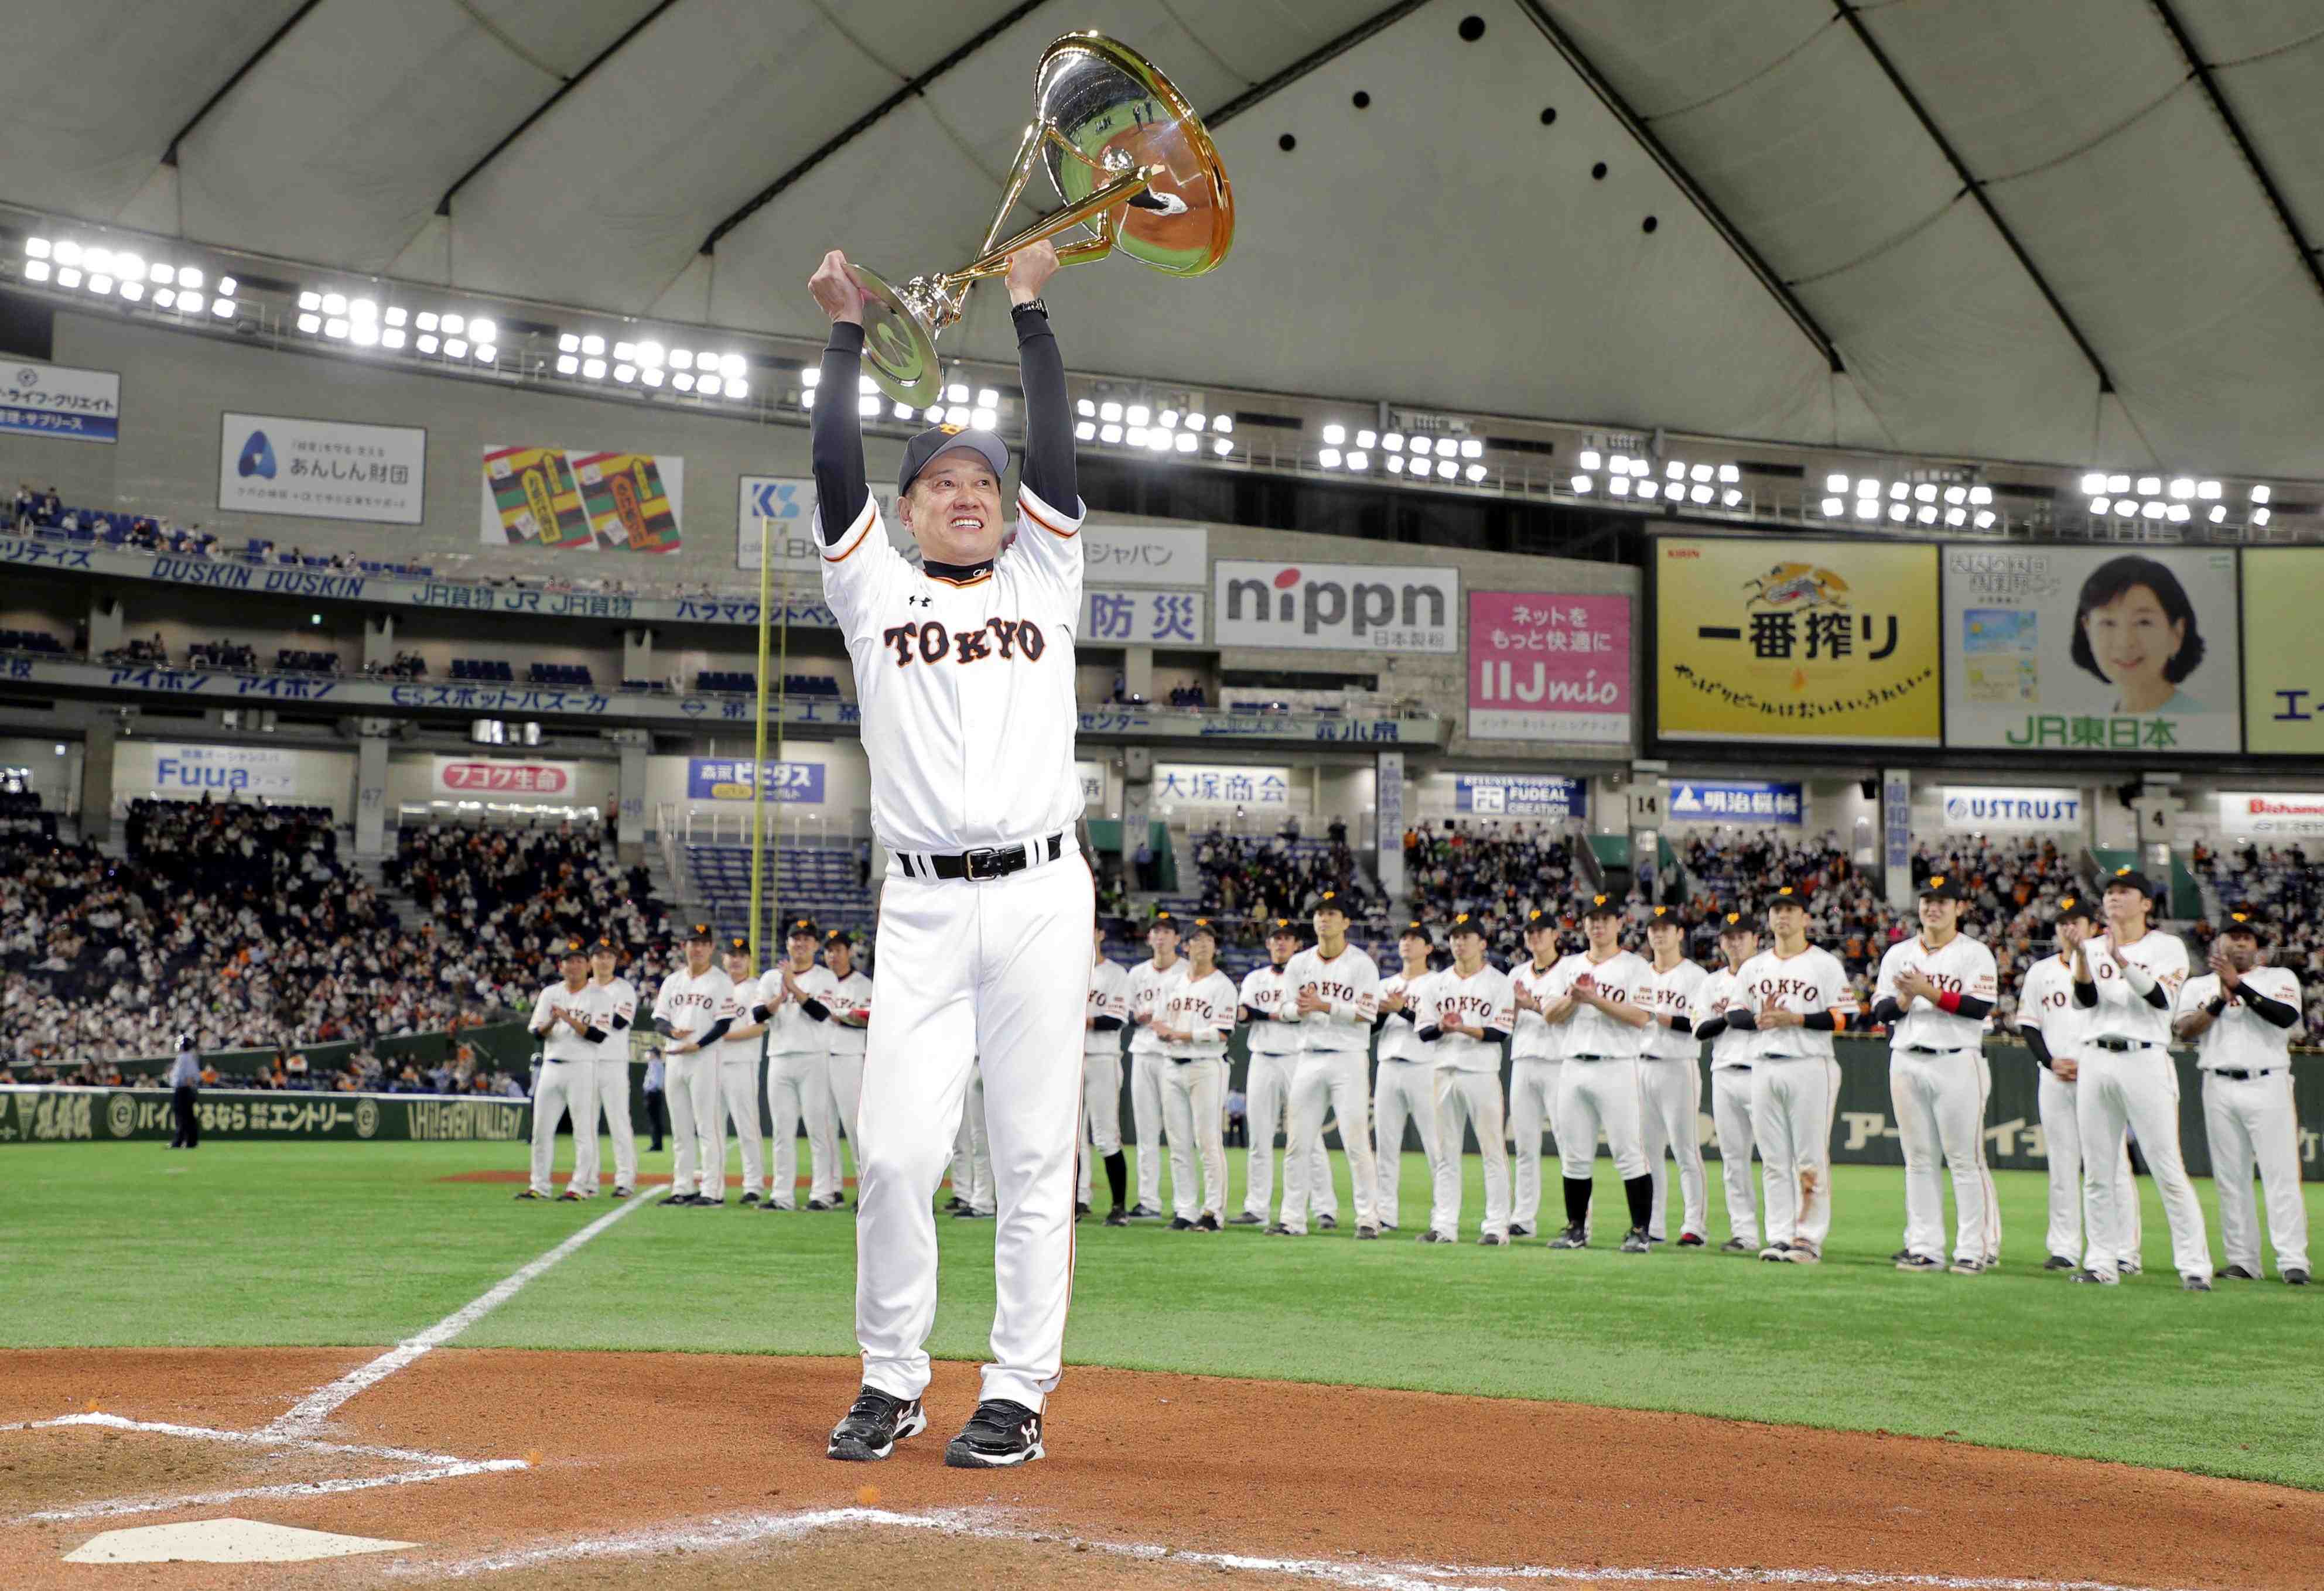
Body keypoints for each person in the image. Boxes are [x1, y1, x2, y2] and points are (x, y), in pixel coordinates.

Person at [809, 237, 1089, 1470]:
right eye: (942, 481)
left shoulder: (1046, 571)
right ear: (908, 506)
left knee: (1031, 1153)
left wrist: (1029, 312)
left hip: (1039, 893)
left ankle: (1018, 1387)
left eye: (984, 478)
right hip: (920, 907)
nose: (969, 491)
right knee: (895, 1151)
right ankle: (891, 1374)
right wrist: (841, 336)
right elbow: (829, 471)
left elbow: (1059, 454)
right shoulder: (873, 591)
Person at [2071, 868, 2212, 1289]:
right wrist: (2082, 958)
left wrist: (2121, 962)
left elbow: (2161, 998)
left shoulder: (2167, 946)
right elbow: (2084, 1001)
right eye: (2110, 892)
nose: (2114, 897)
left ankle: (2195, 1266)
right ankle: (2101, 1262)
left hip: (2144, 1056)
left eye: (2124, 891)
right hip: (2095, 1056)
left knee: (2167, 1166)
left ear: (2147, 903)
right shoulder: (2092, 946)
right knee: (2097, 1170)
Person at [1872, 875, 2001, 1275]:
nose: (1934, 907)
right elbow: (1881, 1012)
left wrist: (1927, 992)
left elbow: (1980, 1008)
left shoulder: (1975, 953)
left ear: (1959, 908)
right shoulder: (1898, 953)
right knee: (1918, 1160)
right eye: (1928, 899)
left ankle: (1972, 1247)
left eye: (1944, 901)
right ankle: (1925, 1245)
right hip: (1907, 1056)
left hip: (1958, 1058)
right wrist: (1906, 998)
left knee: (1965, 1159)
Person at [2173, 909, 2308, 1285]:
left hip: (2268, 1081)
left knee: (2281, 1175)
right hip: (2218, 1082)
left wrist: (2241, 988)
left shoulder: (2279, 977)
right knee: (2231, 1179)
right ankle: (2243, 1259)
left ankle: (2293, 1259)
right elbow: (2184, 1029)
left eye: (2247, 937)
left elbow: (2285, 1017)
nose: (2240, 942)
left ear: (2257, 946)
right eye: (2233, 936)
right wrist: (2219, 998)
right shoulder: (2199, 986)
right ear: (2218, 943)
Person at [1724, 884, 1853, 1265]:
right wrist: (1759, 1018)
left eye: (1791, 909)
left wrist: (1795, 1018)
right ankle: (1779, 1234)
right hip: (1763, 1064)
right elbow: (1734, 1013)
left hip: (1810, 1063)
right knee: (1774, 1159)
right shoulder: (1754, 966)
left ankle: (1808, 1237)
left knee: (1809, 1156)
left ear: (1806, 918)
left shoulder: (1824, 964)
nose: (1783, 916)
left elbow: (1845, 1016)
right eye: (1777, 910)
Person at [2017, 896, 2140, 1274]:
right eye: (2062, 923)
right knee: (2063, 1162)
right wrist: (2050, 1061)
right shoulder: (2040, 971)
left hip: (2100, 1074)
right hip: (2055, 1078)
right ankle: (2065, 1247)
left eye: (2076, 922)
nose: (2068, 929)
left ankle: (2125, 1252)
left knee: (2114, 1164)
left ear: (2092, 927)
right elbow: (2029, 1025)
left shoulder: (2110, 964)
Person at [1542, 895, 1655, 1253]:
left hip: (1617, 1065)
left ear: (1619, 925)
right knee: (1574, 1154)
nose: (1597, 925)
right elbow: (1549, 1014)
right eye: (1592, 919)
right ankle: (1576, 1229)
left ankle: (1641, 1231)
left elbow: (1640, 1017)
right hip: (1573, 1065)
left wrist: (1594, 1000)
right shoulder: (1568, 966)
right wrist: (1575, 1000)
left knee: (1629, 1151)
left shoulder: (1635, 966)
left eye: (1605, 919)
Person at [1278, 891, 1383, 1239]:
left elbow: (1368, 1013)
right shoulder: (1299, 963)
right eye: (1319, 913)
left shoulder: (1361, 964)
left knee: (1355, 1142)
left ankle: (1368, 1218)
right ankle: (1292, 1219)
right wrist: (1301, 1009)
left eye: (1332, 913)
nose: (1324, 919)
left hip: (1348, 1059)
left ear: (1347, 922)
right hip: (1308, 1056)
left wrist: (1326, 1007)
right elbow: (1284, 1010)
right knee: (1298, 1143)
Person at [1418, 913, 1514, 1246]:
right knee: (1445, 1153)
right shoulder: (1436, 983)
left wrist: (1462, 1028)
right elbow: (1424, 1032)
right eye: (1455, 937)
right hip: (1443, 1070)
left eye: (1467, 937)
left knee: (1492, 1151)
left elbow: (1499, 1032)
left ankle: (1497, 1226)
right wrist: (1443, 1028)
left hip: (1482, 1073)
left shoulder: (1498, 982)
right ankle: (1444, 1225)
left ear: (1482, 943)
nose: (1460, 942)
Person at [1235, 918, 1332, 1230]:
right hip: (1262, 1057)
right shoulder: (1254, 978)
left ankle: (1325, 1208)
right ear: (1268, 944)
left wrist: (1270, 1015)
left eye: (1287, 939)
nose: (1281, 943)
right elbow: (1245, 1014)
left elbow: (1303, 1016)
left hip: (1297, 1058)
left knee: (1310, 1137)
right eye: (1276, 939)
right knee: (1259, 1137)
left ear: (1297, 945)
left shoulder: (1307, 977)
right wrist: (1278, 1014)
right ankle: (1256, 1207)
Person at [1153, 919, 1235, 1231]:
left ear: (1215, 947)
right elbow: (1160, 1022)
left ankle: (1213, 1212)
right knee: (1178, 1143)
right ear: (1185, 946)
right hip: (1172, 1064)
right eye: (1197, 939)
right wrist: (1165, 1032)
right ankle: (1184, 1209)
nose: (1203, 944)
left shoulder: (1222, 985)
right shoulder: (1172, 984)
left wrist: (1180, 1034)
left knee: (1208, 1140)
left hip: (1206, 1066)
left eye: (1208, 940)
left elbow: (1223, 1032)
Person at [754, 919, 839, 1212]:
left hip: (813, 1056)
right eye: (795, 939)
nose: (800, 944)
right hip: (779, 1056)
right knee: (782, 1130)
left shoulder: (825, 977)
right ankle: (782, 1196)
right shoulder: (769, 977)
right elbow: (757, 1014)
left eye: (807, 939)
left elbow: (821, 1013)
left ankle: (823, 1194)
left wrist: (793, 987)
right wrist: (781, 993)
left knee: (818, 1128)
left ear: (815, 946)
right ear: (787, 944)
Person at [1637, 905, 1709, 1248]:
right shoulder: (1639, 973)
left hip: (1679, 1064)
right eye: (1654, 928)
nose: (1659, 934)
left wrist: (1664, 1019)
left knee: (1685, 1148)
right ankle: (1653, 1224)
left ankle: (1694, 1225)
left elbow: (1700, 1025)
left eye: (1666, 928)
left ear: (1680, 934)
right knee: (1648, 1152)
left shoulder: (1695, 976)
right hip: (1641, 1064)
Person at [1690, 912, 1762, 1254]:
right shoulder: (1711, 982)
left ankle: (1790, 1230)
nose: (1735, 942)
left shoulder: (1769, 974)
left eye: (1741, 935)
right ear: (1721, 943)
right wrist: (1734, 1017)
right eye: (1729, 937)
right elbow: (1701, 1030)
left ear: (1756, 940)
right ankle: (1744, 1233)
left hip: (1763, 1070)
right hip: (1724, 1072)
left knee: (1780, 1158)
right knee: (1734, 1160)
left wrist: (1737, 1018)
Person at [652, 922, 736, 1208]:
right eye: (693, 942)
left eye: (703, 942)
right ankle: (683, 1187)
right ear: (684, 946)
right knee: (680, 1128)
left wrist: (698, 1044)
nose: (697, 947)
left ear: (711, 948)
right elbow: (660, 1019)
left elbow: (724, 1023)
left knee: (708, 1127)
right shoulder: (673, 981)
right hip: (676, 1058)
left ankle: (713, 1191)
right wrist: (671, 1033)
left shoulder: (720, 981)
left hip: (705, 1058)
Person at [1373, 921, 1448, 1238]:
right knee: (1386, 1147)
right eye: (1404, 937)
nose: (1408, 942)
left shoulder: (1439, 983)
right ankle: (1385, 1214)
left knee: (1436, 1146)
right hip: (1389, 1064)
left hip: (1425, 1066)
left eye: (1416, 939)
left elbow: (1439, 1026)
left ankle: (1442, 1216)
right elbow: (1369, 1026)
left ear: (1429, 949)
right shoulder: (1385, 983)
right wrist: (1381, 1012)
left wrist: (1401, 1010)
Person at [523, 938, 609, 1202]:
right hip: (551, 1065)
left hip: (583, 1066)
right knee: (541, 1130)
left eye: (580, 961)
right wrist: (553, 1020)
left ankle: (579, 1186)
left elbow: (598, 1035)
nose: (574, 965)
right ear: (561, 967)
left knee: (583, 1132)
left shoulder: (599, 996)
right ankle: (539, 1185)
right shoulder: (550, 993)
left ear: (588, 966)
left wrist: (568, 1019)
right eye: (569, 961)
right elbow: (537, 1032)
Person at [2069, 555, 2209, 715]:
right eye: (2108, 623)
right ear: (2088, 630)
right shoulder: (2098, 721)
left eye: (2143, 622)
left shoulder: (2198, 722)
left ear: (2176, 633)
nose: (2125, 642)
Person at [1122, 913, 1185, 1220]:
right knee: (1146, 1132)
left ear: (1177, 939)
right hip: (1144, 1052)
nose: (1161, 937)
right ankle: (1149, 1201)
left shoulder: (1187, 972)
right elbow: (1125, 1012)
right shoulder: (1136, 974)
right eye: (1156, 932)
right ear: (1149, 939)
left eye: (1167, 932)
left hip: (1173, 1055)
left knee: (1178, 1133)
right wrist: (1140, 1018)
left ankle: (1184, 1204)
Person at [1505, 909, 1564, 1240]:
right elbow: (1506, 1023)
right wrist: (1515, 1007)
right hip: (1524, 1060)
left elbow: (1566, 1015)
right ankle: (1523, 1218)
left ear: (1556, 934)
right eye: (1530, 931)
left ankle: (1580, 1218)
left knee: (1570, 1145)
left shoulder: (1570, 970)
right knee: (1525, 1146)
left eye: (1542, 930)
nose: (1535, 936)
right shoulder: (1517, 973)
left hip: (1557, 1061)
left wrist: (1529, 1005)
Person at [1080, 922, 1130, 1224]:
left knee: (1105, 1135)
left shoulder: (1115, 974)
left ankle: (1119, 1207)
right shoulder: (1065, 970)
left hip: (1103, 1058)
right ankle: (1077, 1201)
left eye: (1092, 928)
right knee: (1071, 1138)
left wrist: (1079, 1020)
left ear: (1101, 934)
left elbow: (1115, 1020)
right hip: (1070, 1060)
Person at [822, 929, 874, 1210]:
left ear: (848, 953)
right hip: (821, 1057)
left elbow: (869, 1017)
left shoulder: (862, 984)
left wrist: (843, 1017)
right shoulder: (820, 982)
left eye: (838, 950)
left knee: (855, 1128)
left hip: (850, 1057)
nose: (833, 955)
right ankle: (831, 1189)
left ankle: (865, 1187)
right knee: (825, 1127)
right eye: (829, 950)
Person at [589, 936, 640, 1198]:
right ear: (591, 961)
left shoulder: (624, 989)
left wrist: (588, 1018)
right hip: (585, 1063)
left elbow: (620, 1022)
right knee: (586, 1125)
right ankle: (588, 1179)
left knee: (619, 1122)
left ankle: (625, 1180)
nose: (604, 960)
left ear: (616, 961)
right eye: (599, 955)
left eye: (609, 956)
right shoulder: (581, 988)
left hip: (613, 1063)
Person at [166, 1032, 201, 1151]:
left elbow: (190, 1077)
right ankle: (191, 1141)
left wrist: (187, 1089)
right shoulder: (190, 1057)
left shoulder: (184, 1058)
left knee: (182, 1118)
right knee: (188, 1117)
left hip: (183, 1090)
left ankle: (179, 1142)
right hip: (186, 1090)